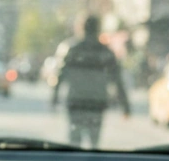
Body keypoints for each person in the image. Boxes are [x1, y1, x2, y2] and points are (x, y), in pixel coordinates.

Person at [52, 15, 130, 148]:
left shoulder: (72, 49)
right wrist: (125, 105)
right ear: (98, 29)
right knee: (94, 142)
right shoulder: (106, 52)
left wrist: (55, 96)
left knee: (74, 142)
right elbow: (117, 80)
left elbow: (60, 75)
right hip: (97, 103)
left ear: (82, 28)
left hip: (76, 102)